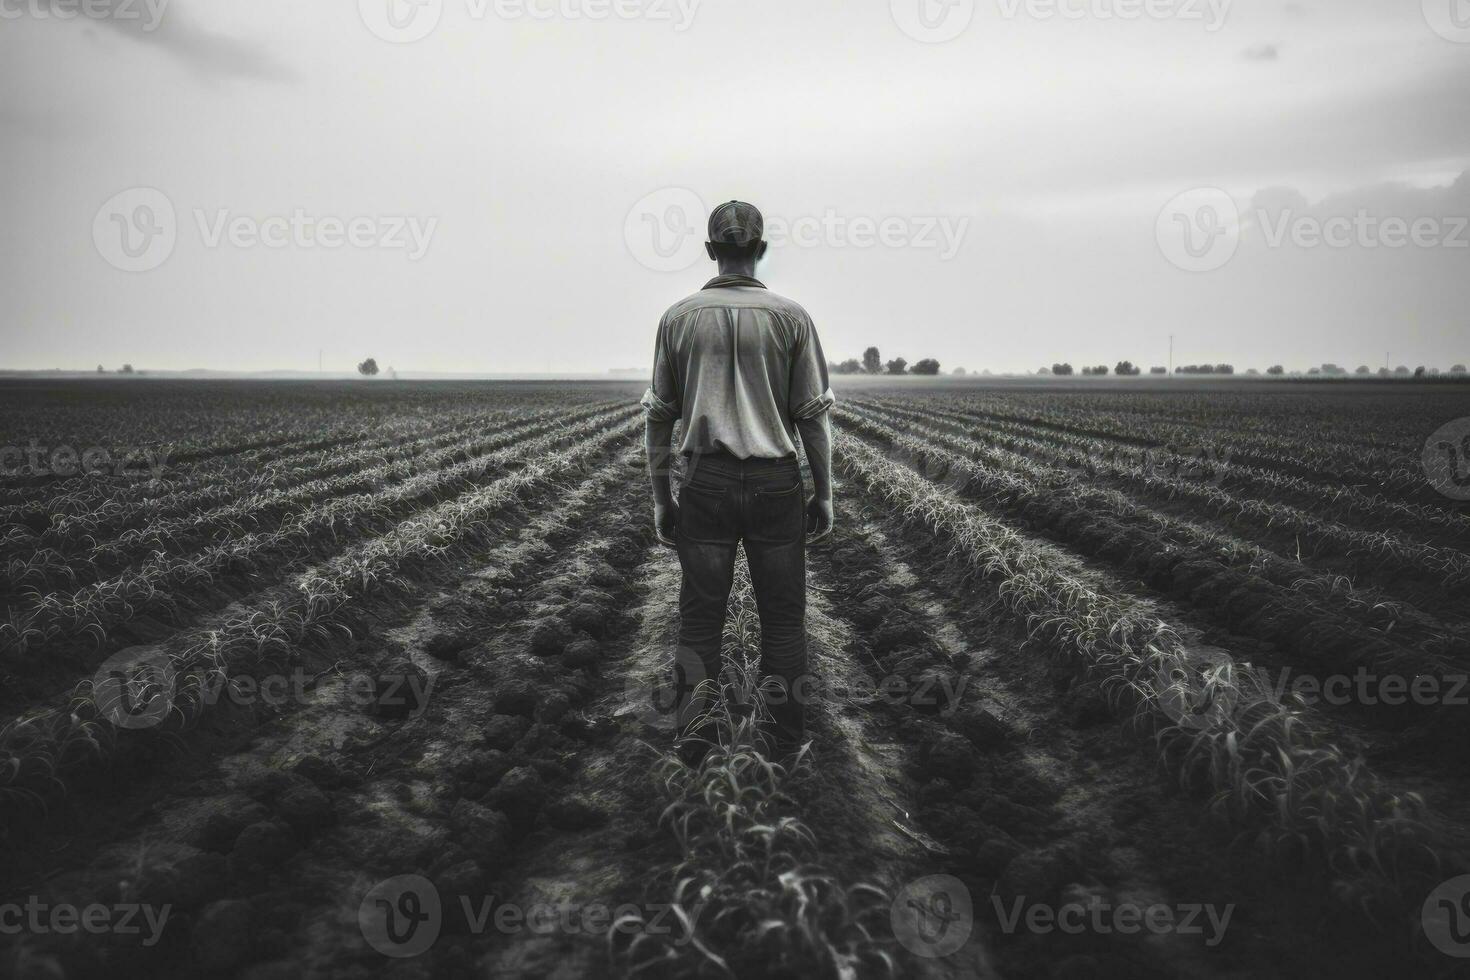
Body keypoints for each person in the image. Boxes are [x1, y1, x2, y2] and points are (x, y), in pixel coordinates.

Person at [641, 199, 836, 763]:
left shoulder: (677, 318)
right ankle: (782, 752)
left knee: (700, 620)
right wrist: (823, 492)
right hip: (777, 483)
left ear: (710, 252)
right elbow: (813, 418)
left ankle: (695, 748)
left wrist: (662, 498)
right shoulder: (792, 318)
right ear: (761, 250)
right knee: (783, 621)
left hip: (705, 483)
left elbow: (658, 418)